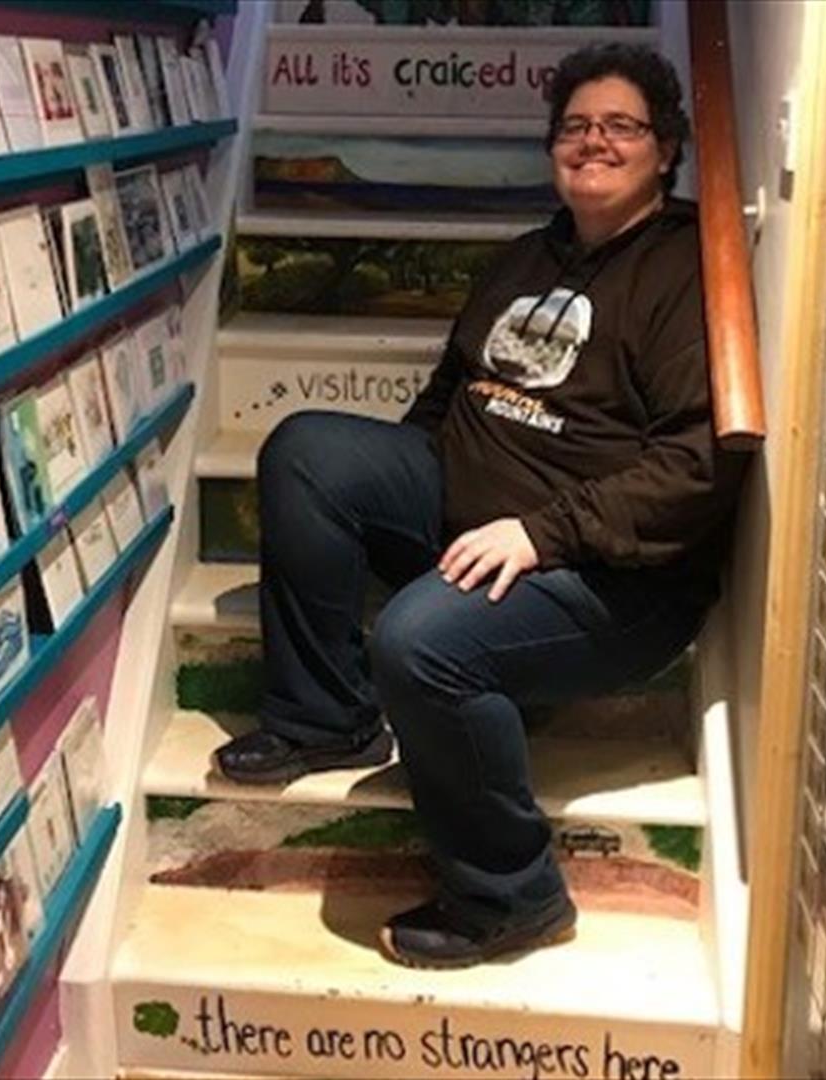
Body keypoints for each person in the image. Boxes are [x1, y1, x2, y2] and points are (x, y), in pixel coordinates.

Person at [212, 42, 751, 969]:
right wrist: (401, 479)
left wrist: (542, 534)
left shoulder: (689, 275)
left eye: (621, 126)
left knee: (420, 640)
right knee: (306, 450)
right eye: (576, 126)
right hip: (478, 519)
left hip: (609, 577)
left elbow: (696, 470)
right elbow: (453, 394)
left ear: (666, 149)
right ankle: (324, 718)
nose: (594, 142)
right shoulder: (524, 258)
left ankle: (513, 897)